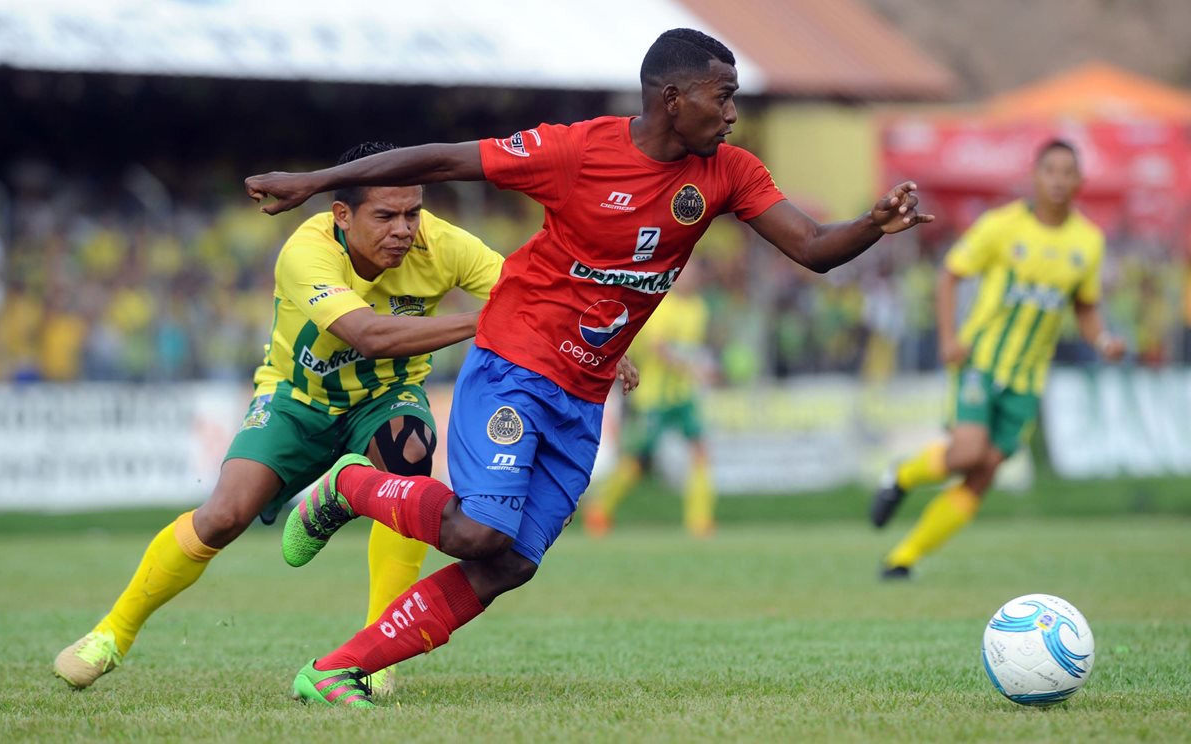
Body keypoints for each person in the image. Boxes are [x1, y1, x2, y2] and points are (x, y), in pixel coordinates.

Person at [245, 27, 932, 708]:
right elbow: (446, 160)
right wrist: (316, 182)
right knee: (479, 531)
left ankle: (335, 671)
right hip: (514, 364)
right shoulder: (576, 150)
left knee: (509, 563)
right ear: (672, 99)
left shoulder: (729, 172)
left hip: (584, 394)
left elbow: (812, 246)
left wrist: (871, 224)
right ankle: (350, 486)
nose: (732, 113)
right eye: (721, 97)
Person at [54, 142, 506, 692]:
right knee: (224, 515)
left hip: (386, 396)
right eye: (386, 215)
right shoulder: (306, 251)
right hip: (295, 399)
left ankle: (378, 655)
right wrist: (485, 321)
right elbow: (368, 335)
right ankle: (112, 633)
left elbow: (527, 293)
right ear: (342, 215)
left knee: (409, 454)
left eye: (413, 213)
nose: (404, 230)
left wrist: (585, 332)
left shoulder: (445, 245)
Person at [869, 139, 1126, 580]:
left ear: (1080, 181)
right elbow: (950, 274)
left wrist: (1103, 341)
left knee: (984, 470)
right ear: (1035, 176)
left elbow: (1084, 306)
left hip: (1028, 378)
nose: (1059, 180)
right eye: (1051, 170)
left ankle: (902, 559)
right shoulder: (1001, 226)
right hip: (982, 361)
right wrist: (948, 339)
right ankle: (902, 475)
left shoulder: (1088, 242)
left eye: (1068, 172)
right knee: (968, 452)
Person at [583, 260, 718, 537]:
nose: (690, 278)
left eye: (694, 274)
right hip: (655, 397)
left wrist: (704, 368)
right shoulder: (662, 305)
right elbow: (658, 348)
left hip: (683, 395)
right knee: (637, 459)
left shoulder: (699, 308)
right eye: (686, 273)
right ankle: (599, 509)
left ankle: (700, 521)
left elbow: (692, 349)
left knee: (700, 449)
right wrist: (693, 369)